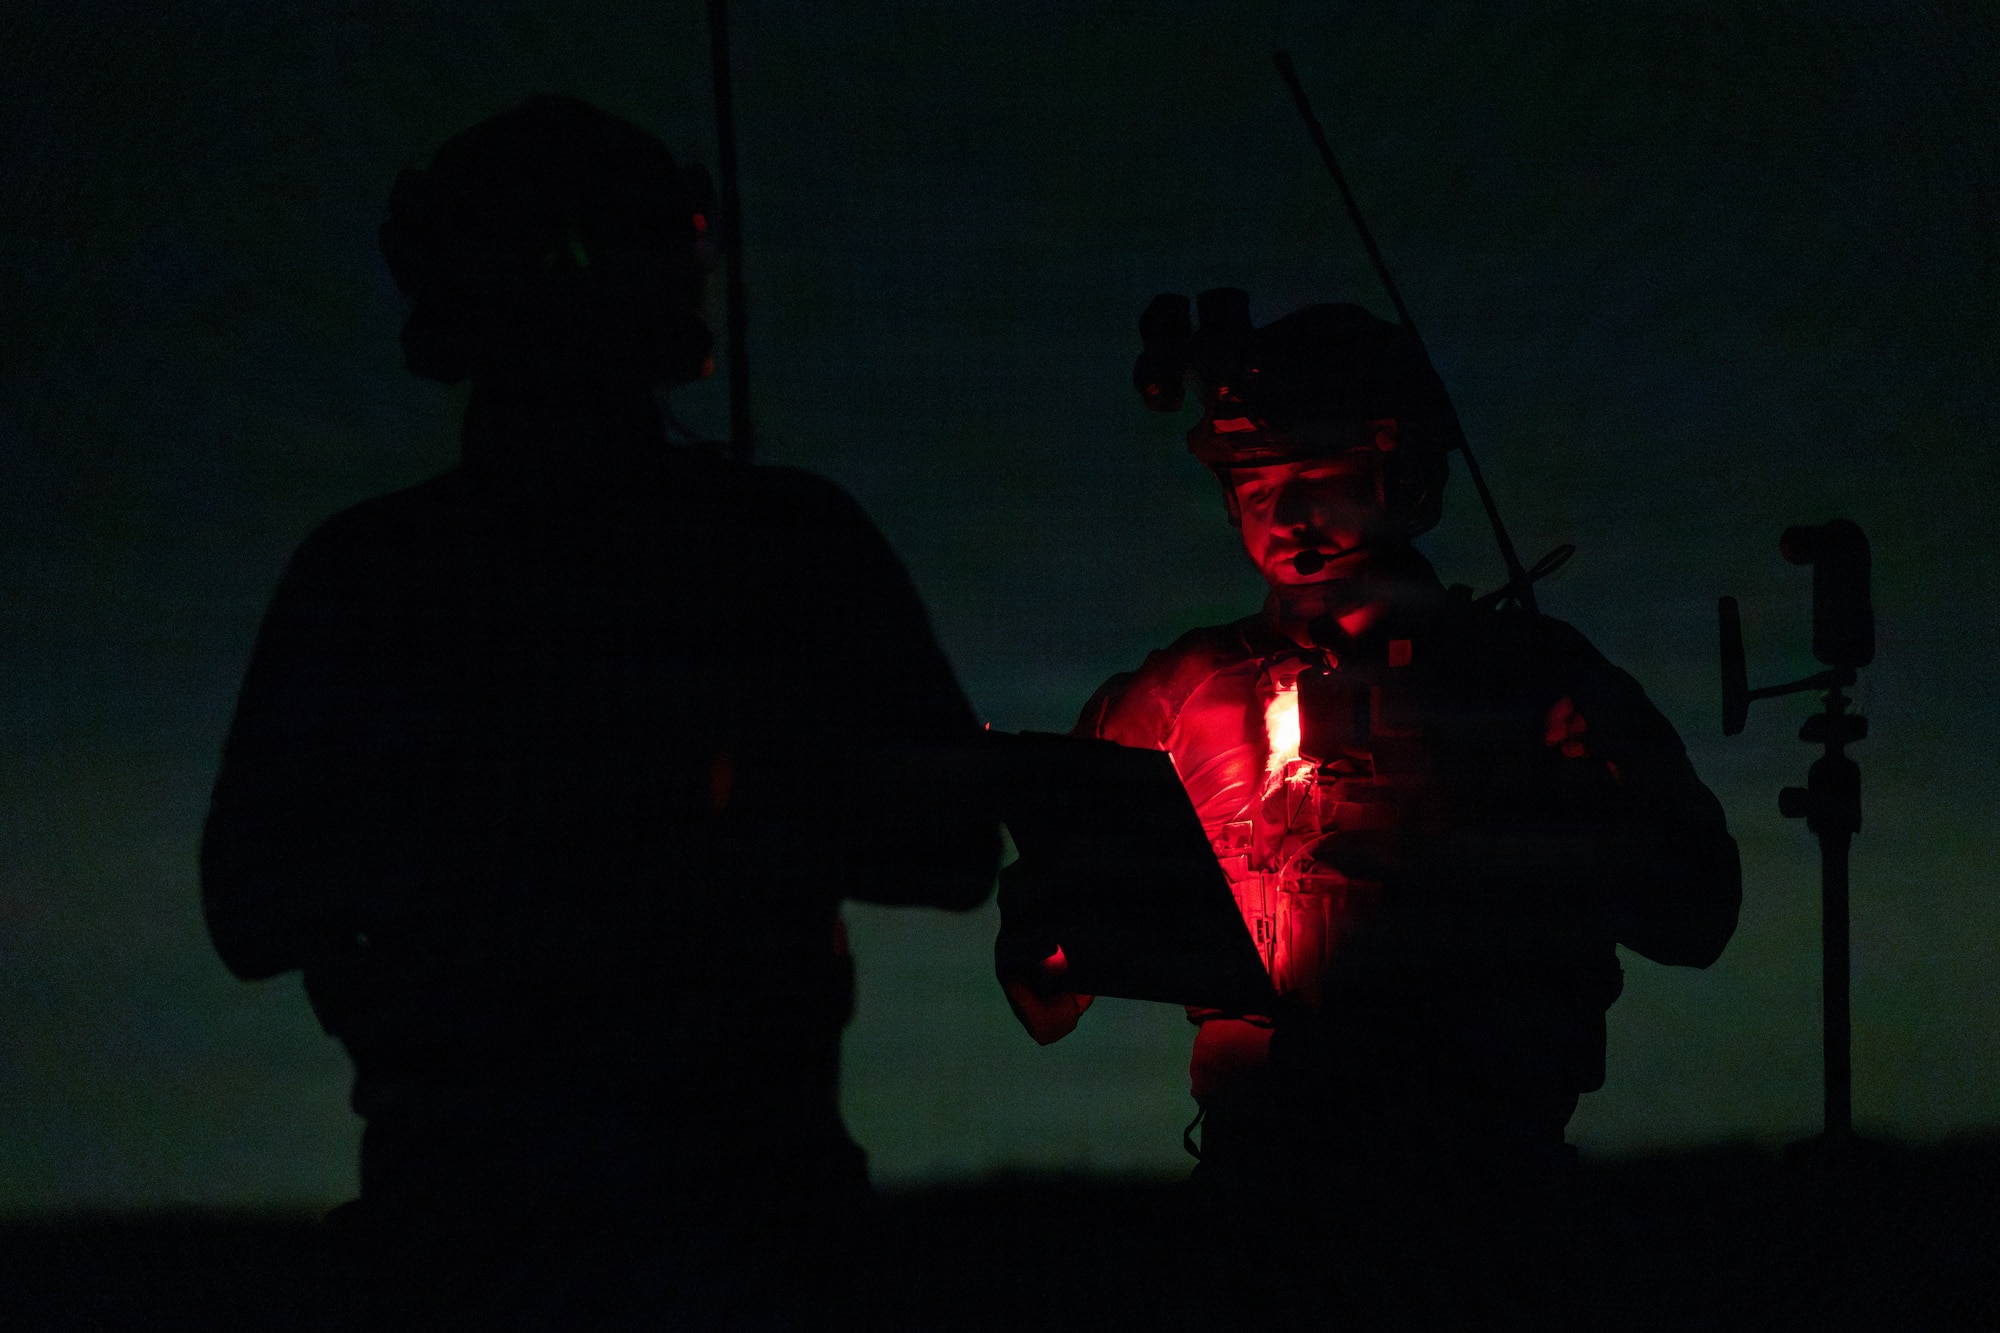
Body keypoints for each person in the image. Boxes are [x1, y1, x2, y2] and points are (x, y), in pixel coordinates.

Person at [200, 95, 999, 1329]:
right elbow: (253, 900)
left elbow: (946, 841)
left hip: (630, 1210)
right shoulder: (780, 539)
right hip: (577, 1212)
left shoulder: (372, 570)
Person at [995, 289, 1741, 1325]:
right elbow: (1044, 976)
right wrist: (1056, 926)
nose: (1288, 515)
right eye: (1257, 486)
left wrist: (1566, 827)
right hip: (1262, 1204)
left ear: (1402, 476)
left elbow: (1696, 910)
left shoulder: (1531, 683)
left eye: (1322, 477)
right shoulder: (1168, 701)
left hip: (1481, 1204)